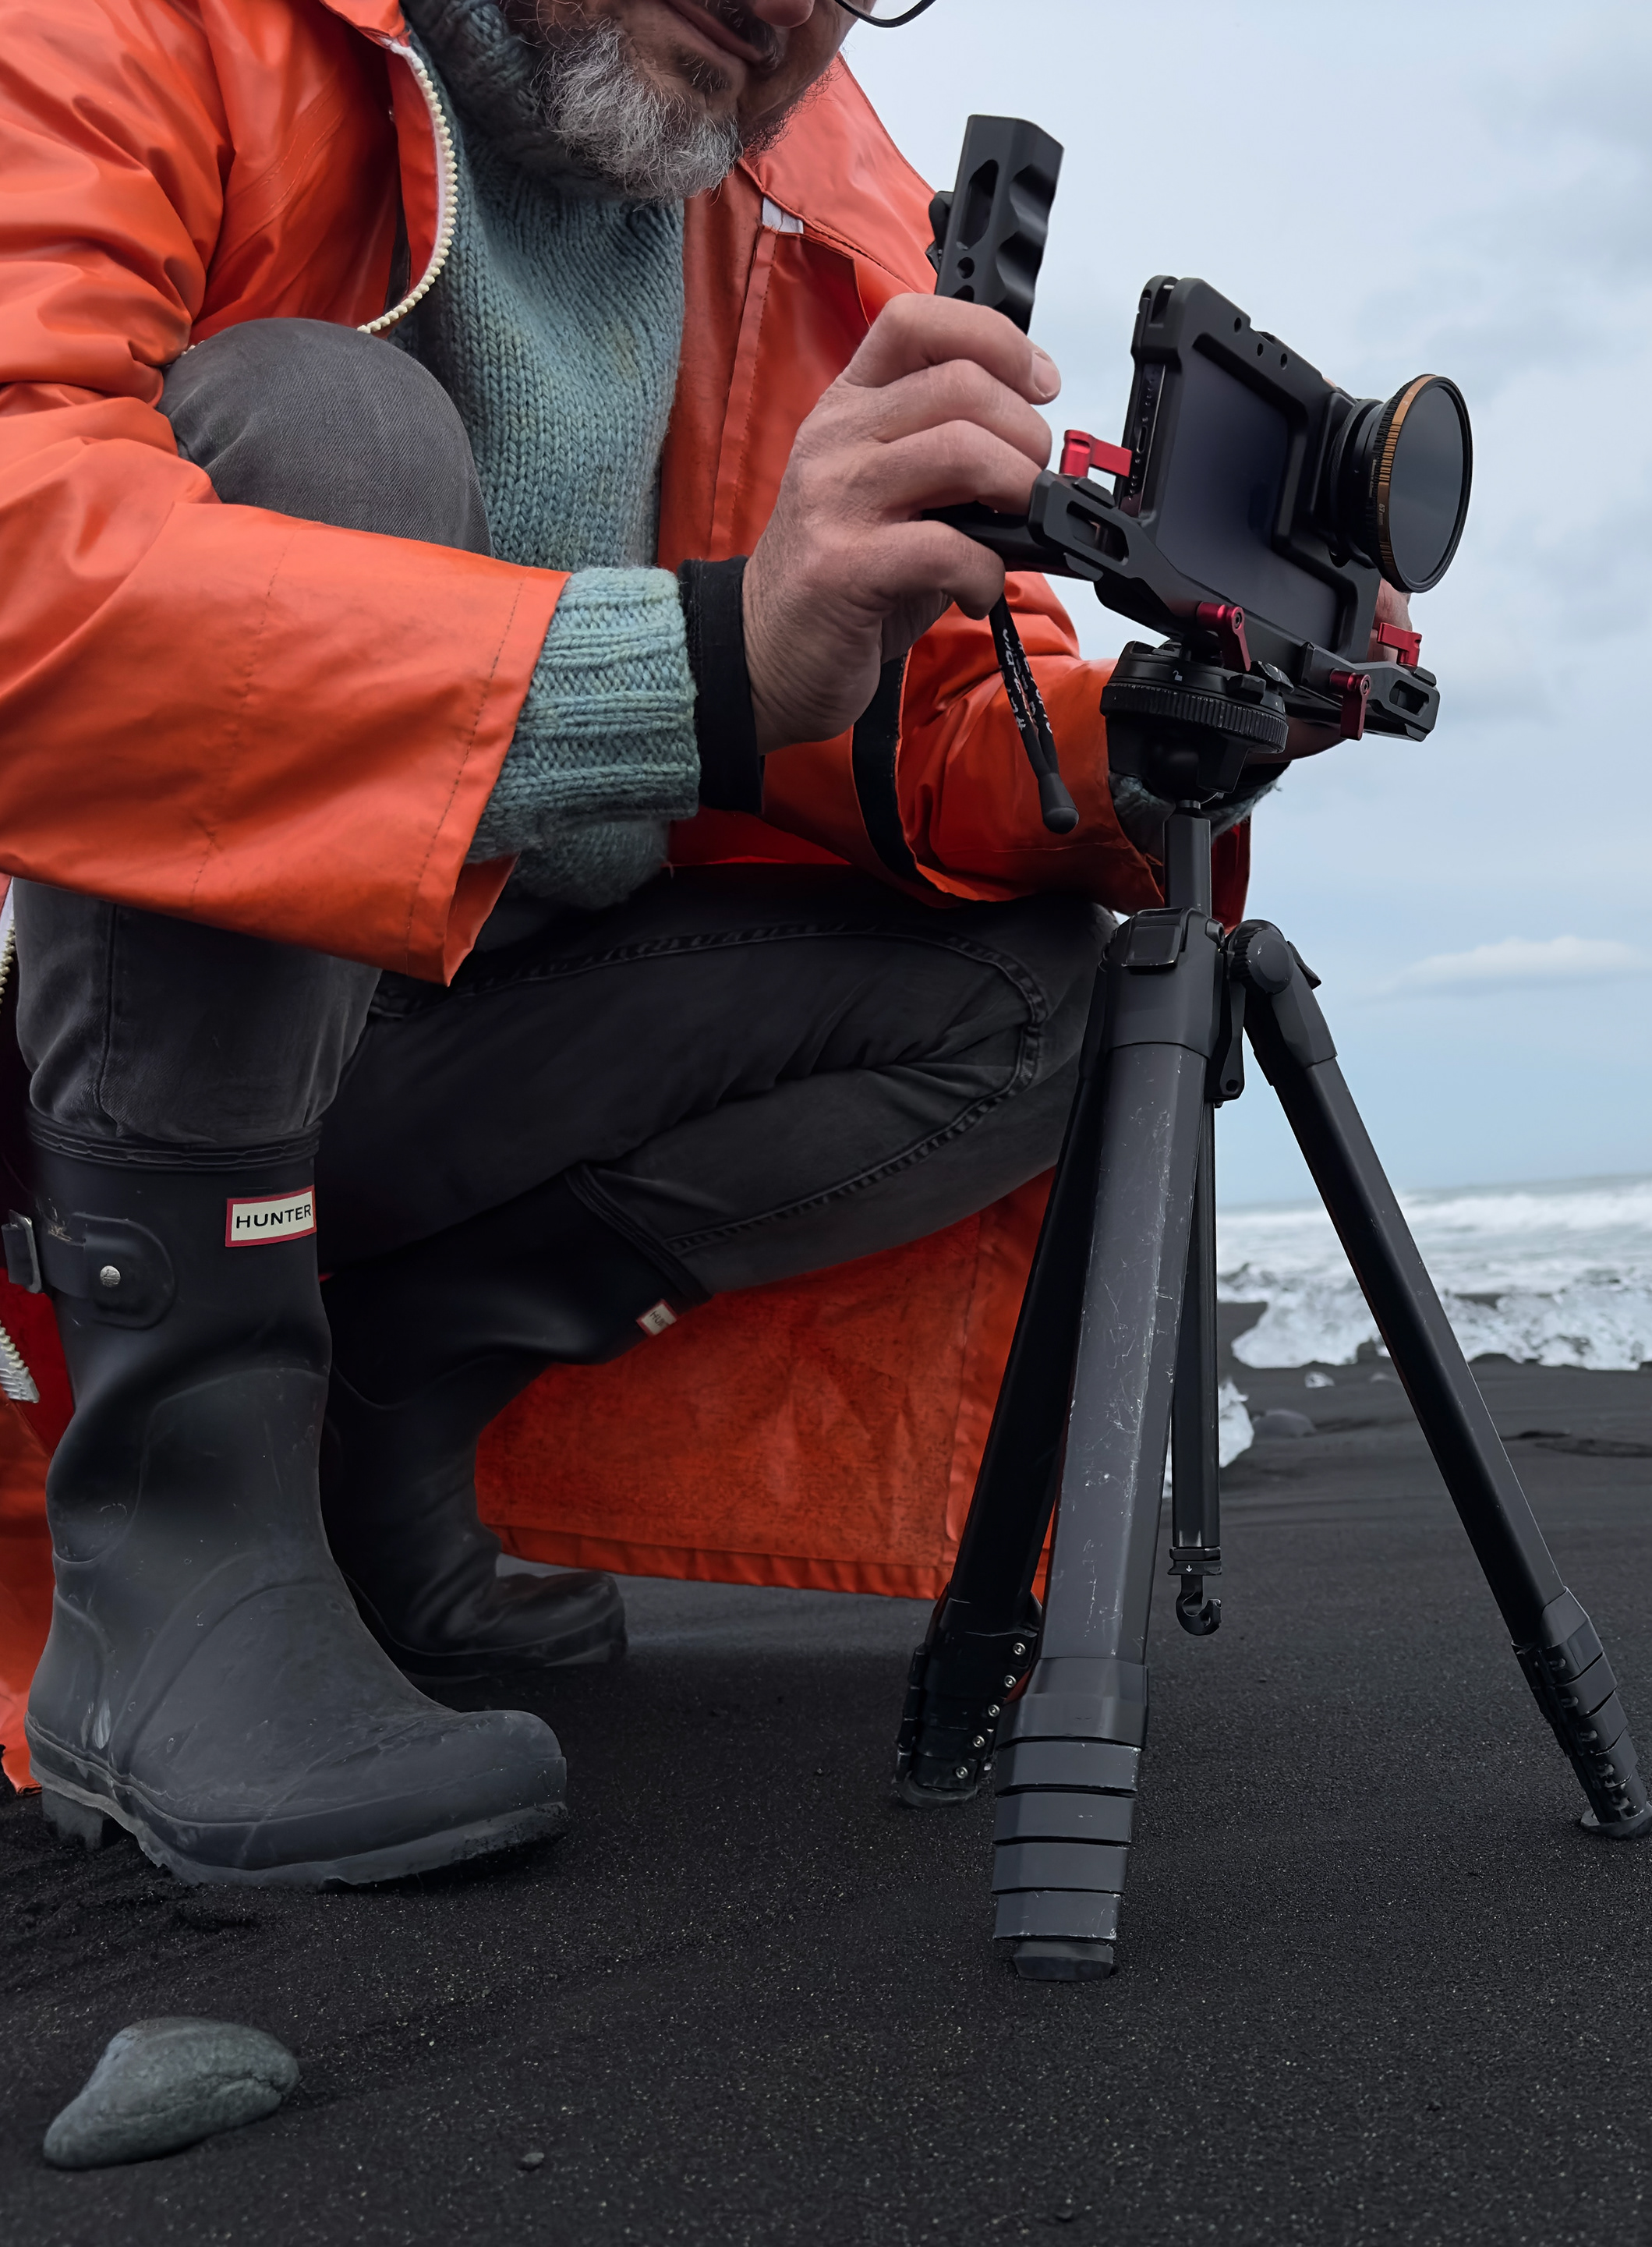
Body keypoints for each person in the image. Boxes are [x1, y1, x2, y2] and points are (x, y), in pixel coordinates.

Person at [0, 0, 1269, 1886]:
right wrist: (702, 660)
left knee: (1051, 1000)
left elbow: (897, 702)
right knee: (331, 425)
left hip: (481, 1023)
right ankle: (174, 1525)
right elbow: (31, 543)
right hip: (120, 1043)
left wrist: (1146, 735)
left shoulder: (814, 201)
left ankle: (378, 1428)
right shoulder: (144, 24)